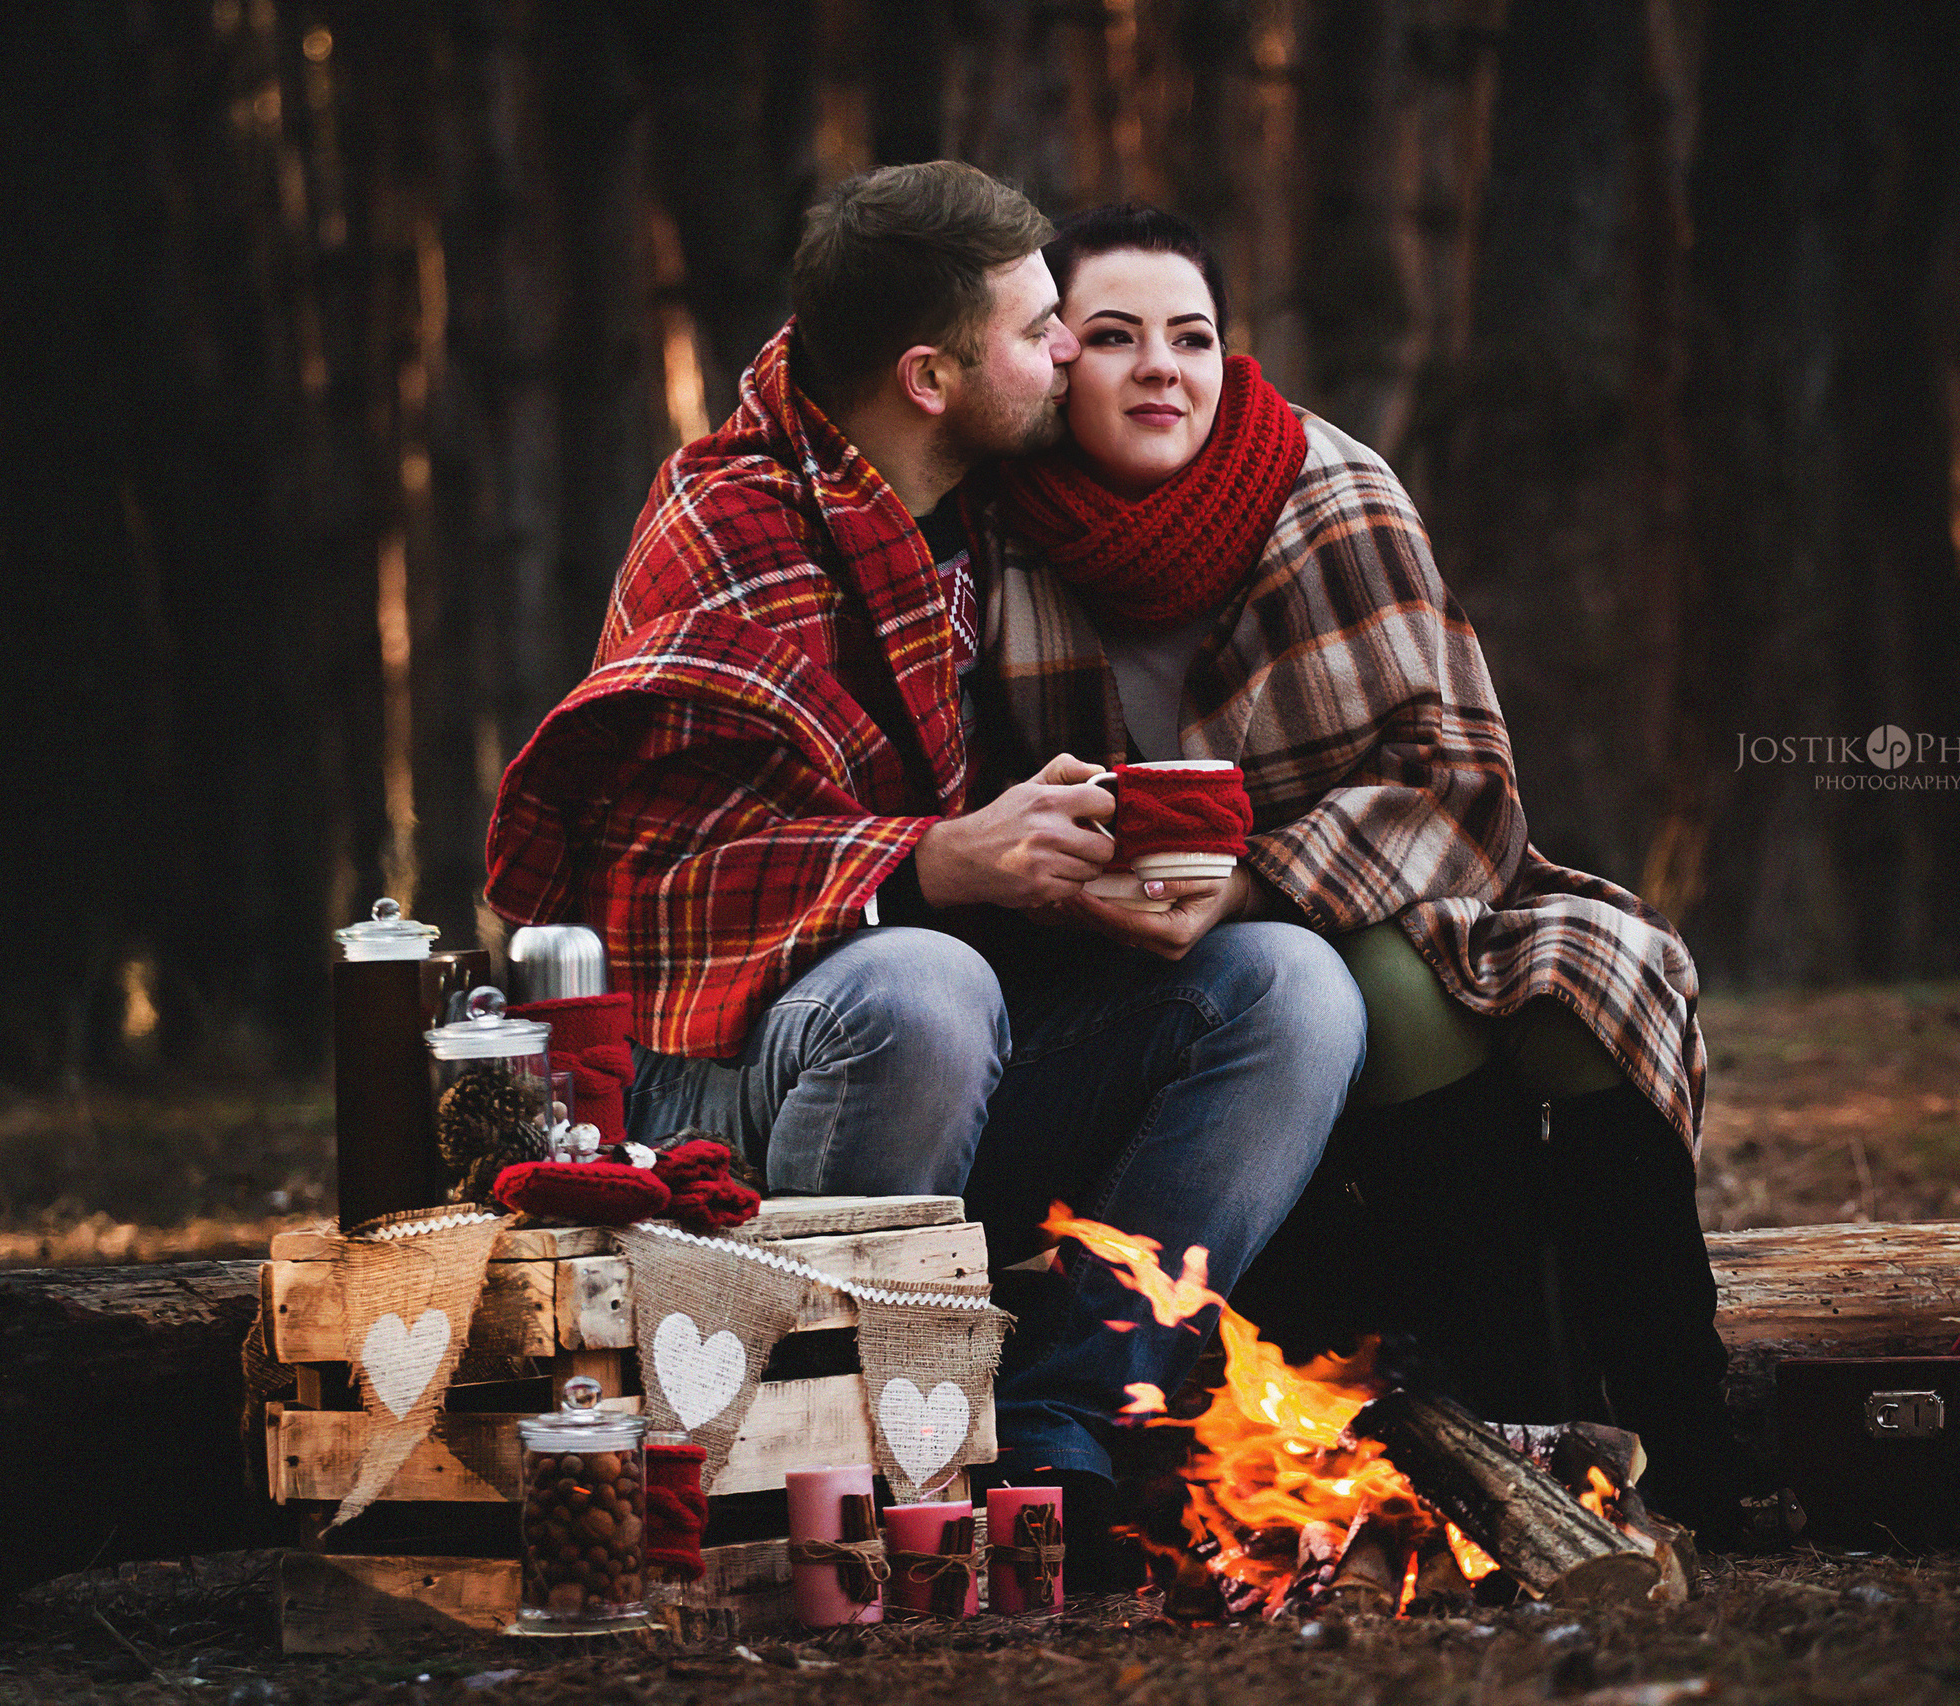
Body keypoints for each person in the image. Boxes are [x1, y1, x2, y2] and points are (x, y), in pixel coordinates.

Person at [482, 166, 1366, 1532]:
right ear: (931, 378)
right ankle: (824, 1458)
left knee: (1291, 989)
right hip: (718, 1091)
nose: (1075, 353)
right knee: (923, 991)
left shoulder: (1002, 510)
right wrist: (937, 861)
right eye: (1041, 331)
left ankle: (1069, 1415)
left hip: (950, 1066)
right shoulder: (730, 522)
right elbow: (652, 894)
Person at [973, 204, 1766, 1533]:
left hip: (1419, 886)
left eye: (1193, 336)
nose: (1161, 366)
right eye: (1114, 338)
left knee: (1572, 988)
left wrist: (1253, 878)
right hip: (1135, 957)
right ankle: (1521, 1421)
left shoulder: (1327, 488)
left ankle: (1688, 1438)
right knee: (1360, 994)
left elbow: (1458, 778)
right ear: (1055, 361)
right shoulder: (999, 541)